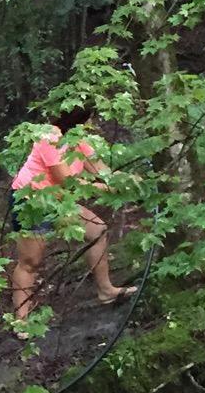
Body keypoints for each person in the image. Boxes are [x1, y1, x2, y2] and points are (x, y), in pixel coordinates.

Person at [7, 122, 132, 324]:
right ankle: (21, 319)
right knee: (31, 262)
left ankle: (106, 291)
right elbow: (67, 181)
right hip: (31, 200)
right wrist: (107, 189)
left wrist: (126, 181)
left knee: (97, 230)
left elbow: (102, 170)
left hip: (59, 202)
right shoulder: (49, 136)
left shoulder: (79, 140)